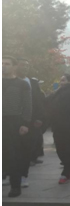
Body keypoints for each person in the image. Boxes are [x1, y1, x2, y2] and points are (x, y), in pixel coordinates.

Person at [2, 56, 31, 197]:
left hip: (13, 121)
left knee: (14, 155)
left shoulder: (22, 84)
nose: (3, 66)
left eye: (7, 64)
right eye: (1, 63)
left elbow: (27, 105)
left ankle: (15, 186)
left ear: (14, 66)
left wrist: (25, 123)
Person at [45, 74, 70, 184]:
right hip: (57, 126)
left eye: (63, 80)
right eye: (61, 80)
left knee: (68, 148)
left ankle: (67, 170)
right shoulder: (57, 92)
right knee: (60, 148)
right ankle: (68, 167)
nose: (61, 82)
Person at [16, 58, 45, 179]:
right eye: (22, 65)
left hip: (31, 120)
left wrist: (39, 118)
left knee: (28, 146)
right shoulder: (8, 81)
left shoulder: (33, 82)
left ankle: (23, 174)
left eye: (27, 66)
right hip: (13, 120)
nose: (25, 67)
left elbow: (39, 101)